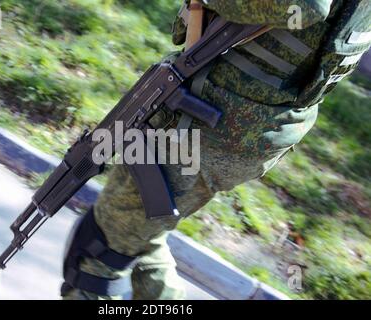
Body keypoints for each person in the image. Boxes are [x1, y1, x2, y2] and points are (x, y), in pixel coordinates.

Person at [62, 0, 371, 300]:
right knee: (144, 236)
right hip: (251, 135)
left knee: (98, 254)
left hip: (200, 129)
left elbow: (305, 7)